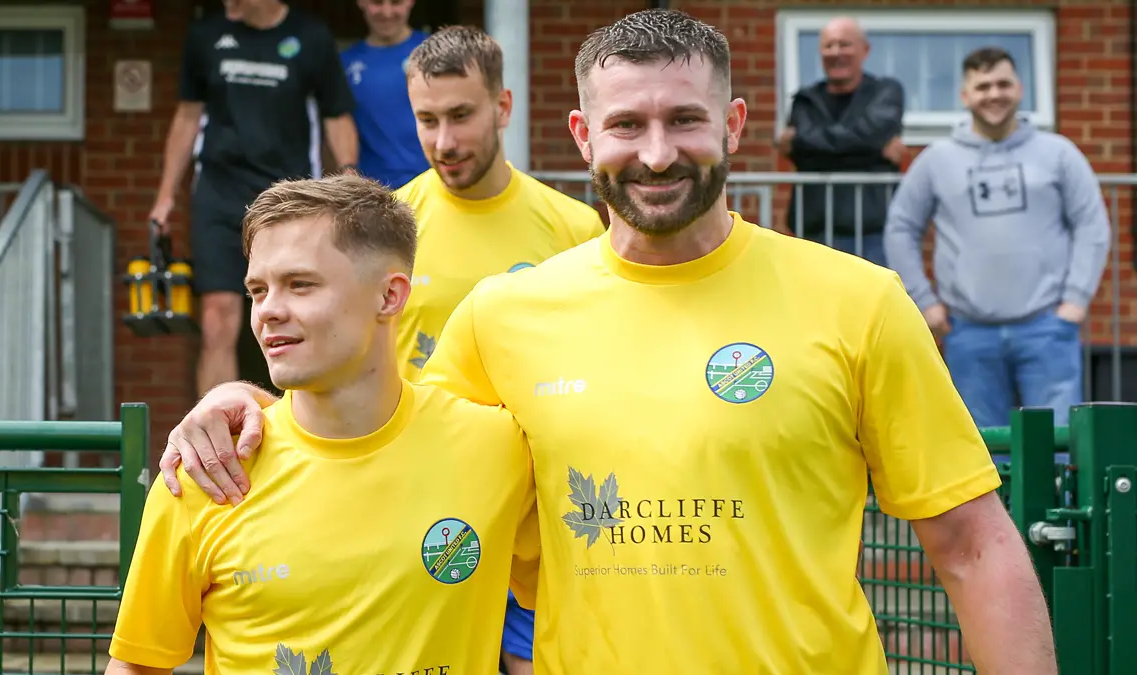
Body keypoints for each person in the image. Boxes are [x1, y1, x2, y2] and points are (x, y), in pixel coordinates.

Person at [157, 9, 1058, 675]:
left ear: (733, 127)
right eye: (627, 124)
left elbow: (974, 546)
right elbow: (375, 438)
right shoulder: (503, 319)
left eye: (685, 120)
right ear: (586, 136)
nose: (657, 153)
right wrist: (246, 405)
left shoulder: (856, 299)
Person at [107, 174, 539, 675]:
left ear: (390, 297)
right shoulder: (207, 472)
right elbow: (136, 666)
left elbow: (571, 594)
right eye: (258, 290)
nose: (268, 311)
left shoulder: (497, 448)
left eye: (300, 285)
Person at [884, 46, 1111, 430]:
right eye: (983, 85)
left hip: (1048, 328)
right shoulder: (937, 160)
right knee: (981, 449)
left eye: (1003, 83)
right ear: (965, 95)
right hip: (968, 332)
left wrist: (1075, 301)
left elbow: (1092, 224)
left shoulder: (1058, 153)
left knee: (1059, 446)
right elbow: (901, 227)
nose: (994, 94)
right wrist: (925, 302)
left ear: (1020, 89)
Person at [148, 0, 359, 398]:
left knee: (293, 314)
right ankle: (218, 440)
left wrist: (348, 173)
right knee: (217, 319)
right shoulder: (206, 36)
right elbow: (187, 117)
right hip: (219, 193)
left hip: (287, 199)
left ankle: (295, 432)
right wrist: (165, 197)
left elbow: (336, 115)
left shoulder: (311, 38)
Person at [395, 25, 605, 386]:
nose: (444, 142)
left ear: (503, 107)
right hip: (414, 441)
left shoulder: (577, 227)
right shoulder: (385, 224)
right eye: (428, 120)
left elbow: (598, 357)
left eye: (461, 116)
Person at [776, 16, 905, 267]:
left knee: (870, 305)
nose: (836, 52)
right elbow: (868, 139)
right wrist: (874, 150)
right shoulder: (805, 99)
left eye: (845, 44)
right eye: (829, 46)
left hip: (872, 234)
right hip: (812, 233)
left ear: (864, 50)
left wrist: (809, 145)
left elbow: (870, 135)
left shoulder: (886, 91)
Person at [342, 0, 430, 189]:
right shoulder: (346, 63)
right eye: (377, 2)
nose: (387, 12)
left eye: (396, 2)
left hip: (431, 184)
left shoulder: (434, 52)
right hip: (372, 191)